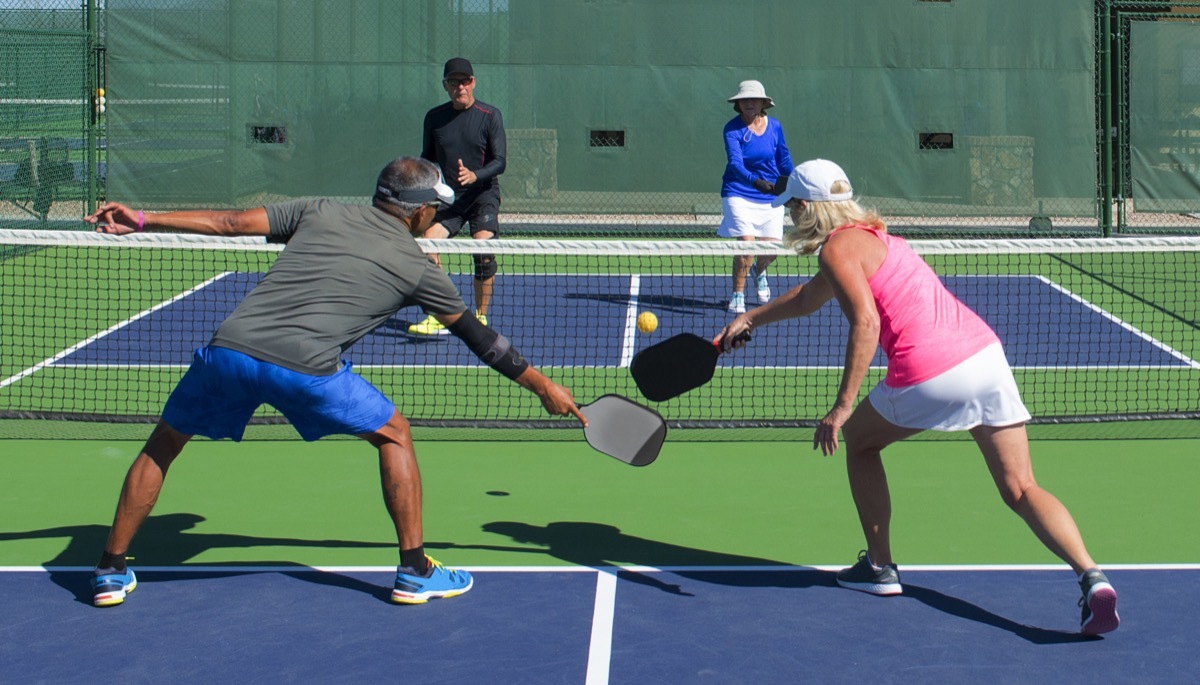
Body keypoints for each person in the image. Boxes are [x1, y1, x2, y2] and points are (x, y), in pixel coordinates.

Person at [83, 156, 585, 608]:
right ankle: (414, 570)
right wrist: (544, 387)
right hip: (305, 368)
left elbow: (230, 223)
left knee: (165, 442)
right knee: (395, 433)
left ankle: (109, 569)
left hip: (229, 351)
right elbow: (482, 340)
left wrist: (142, 219)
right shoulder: (419, 268)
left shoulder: (317, 210)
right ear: (417, 213)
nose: (435, 215)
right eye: (433, 207)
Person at [714, 159, 1120, 636]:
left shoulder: (837, 251)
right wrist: (750, 318)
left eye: (792, 208)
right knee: (1021, 487)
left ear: (806, 207)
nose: (790, 216)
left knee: (860, 442)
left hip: (930, 371)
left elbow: (866, 323)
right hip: (985, 357)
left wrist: (841, 408)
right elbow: (808, 298)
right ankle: (1092, 577)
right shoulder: (878, 239)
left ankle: (879, 567)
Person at [408, 56, 507, 336]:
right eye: (454, 82)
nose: (460, 87)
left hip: (482, 197)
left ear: (473, 83)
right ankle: (442, 314)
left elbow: (500, 161)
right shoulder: (434, 118)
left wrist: (475, 175)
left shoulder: (490, 116)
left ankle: (480, 317)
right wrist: (426, 186)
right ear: (445, 85)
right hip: (450, 200)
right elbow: (427, 159)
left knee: (483, 251)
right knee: (427, 246)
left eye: (465, 81)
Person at [718, 79, 794, 314]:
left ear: (763, 103)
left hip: (770, 194)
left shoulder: (775, 127)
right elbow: (735, 164)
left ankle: (759, 271)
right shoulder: (732, 129)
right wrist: (756, 182)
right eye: (744, 100)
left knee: (771, 250)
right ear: (738, 104)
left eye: (754, 99)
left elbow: (783, 159)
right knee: (747, 244)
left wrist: (793, 185)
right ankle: (737, 295)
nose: (749, 103)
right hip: (738, 191)